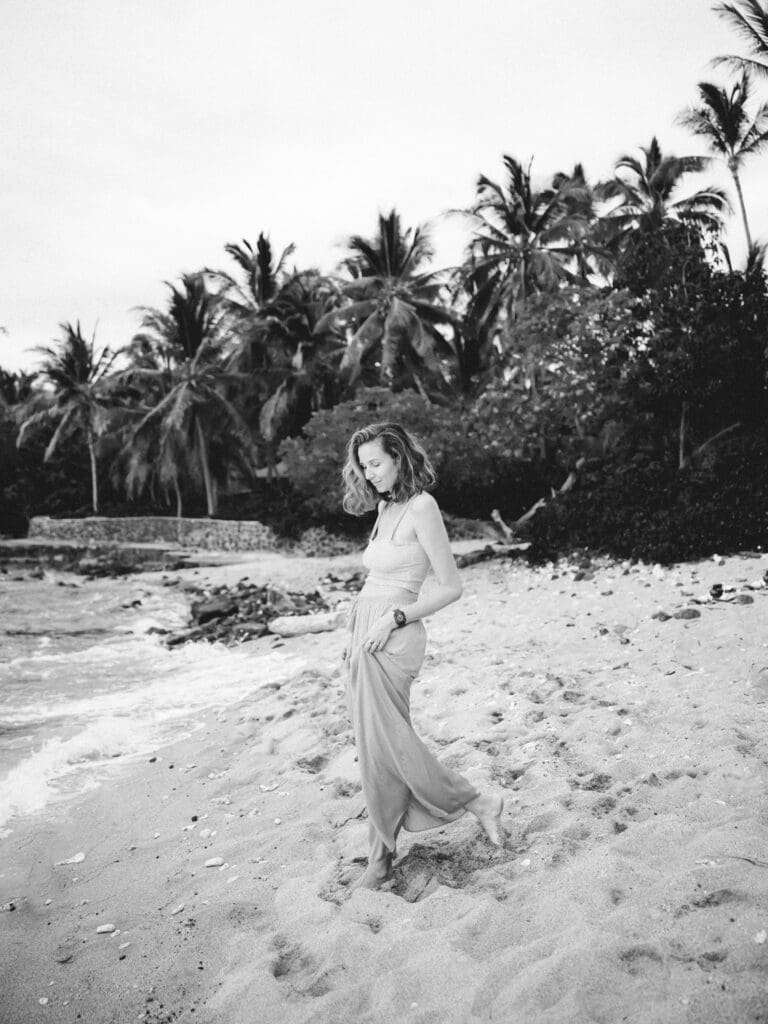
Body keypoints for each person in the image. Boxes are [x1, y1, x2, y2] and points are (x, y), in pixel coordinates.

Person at [341, 421, 505, 890]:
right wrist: (352, 633)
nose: (369, 474)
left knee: (390, 747)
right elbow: (374, 582)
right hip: (364, 634)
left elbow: (451, 587)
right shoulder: (384, 506)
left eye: (375, 463)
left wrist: (394, 618)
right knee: (376, 750)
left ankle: (471, 804)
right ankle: (382, 854)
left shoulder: (422, 506)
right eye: (363, 466)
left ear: (398, 457)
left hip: (393, 635)